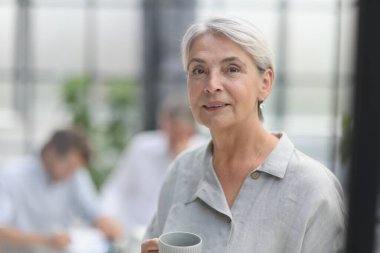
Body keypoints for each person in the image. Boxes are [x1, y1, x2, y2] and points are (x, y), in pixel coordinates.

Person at [141, 17, 345, 253]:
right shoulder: (180, 173)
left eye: (232, 69)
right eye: (199, 70)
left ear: (265, 83)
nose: (212, 85)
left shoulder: (312, 187)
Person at [0, 128, 122, 253]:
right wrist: (45, 241)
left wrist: (106, 224)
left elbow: (94, 211)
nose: (71, 174)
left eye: (75, 169)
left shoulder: (75, 175)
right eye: (68, 167)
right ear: (50, 152)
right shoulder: (12, 176)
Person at [101, 97, 206, 235]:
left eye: (180, 133)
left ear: (191, 131)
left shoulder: (204, 152)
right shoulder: (142, 147)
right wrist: (107, 216)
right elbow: (116, 189)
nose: (174, 139)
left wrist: (183, 159)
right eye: (170, 131)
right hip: (137, 232)